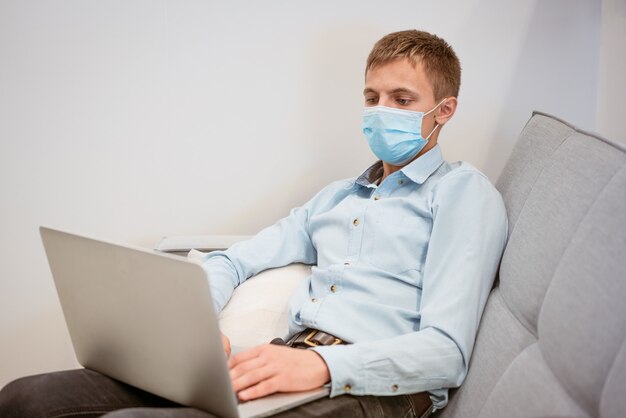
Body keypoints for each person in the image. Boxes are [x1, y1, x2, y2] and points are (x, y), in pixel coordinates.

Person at [0, 29, 507, 418]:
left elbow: (446, 352)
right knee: (25, 398)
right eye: (371, 98)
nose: (380, 112)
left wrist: (323, 366)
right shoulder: (335, 197)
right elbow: (234, 260)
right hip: (284, 359)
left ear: (444, 111)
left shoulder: (463, 193)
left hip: (377, 390)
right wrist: (198, 322)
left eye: (401, 100)